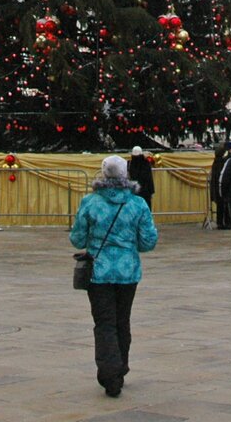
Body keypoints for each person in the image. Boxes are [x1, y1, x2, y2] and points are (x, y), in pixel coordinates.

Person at [69, 154, 158, 398]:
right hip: (128, 271)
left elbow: (77, 237)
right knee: (122, 320)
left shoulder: (90, 202)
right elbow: (149, 240)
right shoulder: (137, 204)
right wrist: (130, 245)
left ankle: (110, 372)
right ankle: (120, 366)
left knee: (104, 322)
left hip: (99, 272)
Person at [209, 141, 229, 230]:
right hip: (221, 186)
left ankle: (220, 222)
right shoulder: (222, 162)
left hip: (216, 186)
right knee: (223, 205)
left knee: (220, 206)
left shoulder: (216, 161)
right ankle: (223, 222)